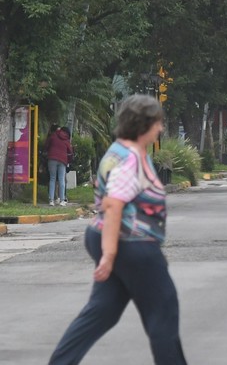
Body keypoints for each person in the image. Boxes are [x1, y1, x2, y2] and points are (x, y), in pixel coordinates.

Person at [49, 95, 186, 365]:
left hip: (113, 238)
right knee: (163, 310)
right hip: (130, 241)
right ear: (144, 124)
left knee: (103, 311)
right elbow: (113, 205)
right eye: (158, 123)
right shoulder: (130, 159)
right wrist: (110, 255)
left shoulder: (119, 150)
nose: (160, 129)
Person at [47, 126, 74, 206]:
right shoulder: (66, 139)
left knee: (52, 178)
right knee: (61, 179)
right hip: (62, 160)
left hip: (52, 159)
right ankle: (62, 200)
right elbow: (70, 151)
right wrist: (69, 160)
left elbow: (46, 145)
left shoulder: (53, 136)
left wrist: (47, 152)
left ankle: (51, 200)